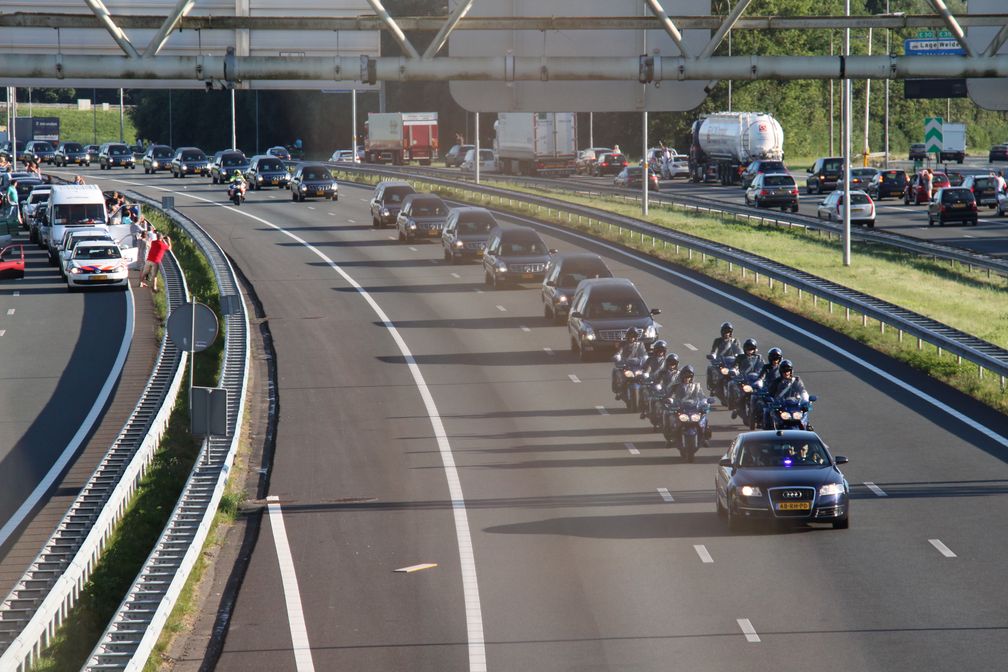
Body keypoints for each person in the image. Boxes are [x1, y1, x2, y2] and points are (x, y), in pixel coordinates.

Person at [730, 338, 764, 418]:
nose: (750, 351)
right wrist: (734, 370)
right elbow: (735, 366)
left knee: (763, 396)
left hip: (756, 381)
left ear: (755, 349)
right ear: (745, 349)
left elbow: (763, 368)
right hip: (744, 379)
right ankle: (736, 408)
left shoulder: (759, 358)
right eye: (748, 349)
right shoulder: (740, 357)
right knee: (734, 388)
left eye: (752, 349)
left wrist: (763, 376)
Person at [612, 327, 646, 400]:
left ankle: (647, 394)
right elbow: (619, 352)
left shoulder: (640, 345)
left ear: (636, 337)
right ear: (627, 336)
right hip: (626, 366)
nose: (632, 338)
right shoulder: (623, 344)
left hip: (637, 366)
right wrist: (617, 357)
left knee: (646, 377)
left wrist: (645, 359)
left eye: (634, 336)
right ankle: (619, 391)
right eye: (630, 336)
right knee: (618, 375)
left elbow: (644, 354)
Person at [707, 321, 743, 389]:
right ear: (722, 332)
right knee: (712, 370)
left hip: (733, 362)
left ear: (731, 333)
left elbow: (739, 352)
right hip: (721, 362)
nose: (727, 334)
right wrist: (712, 355)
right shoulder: (717, 340)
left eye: (728, 332)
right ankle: (713, 387)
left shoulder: (736, 341)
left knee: (741, 377)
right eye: (725, 332)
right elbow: (714, 350)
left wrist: (741, 358)